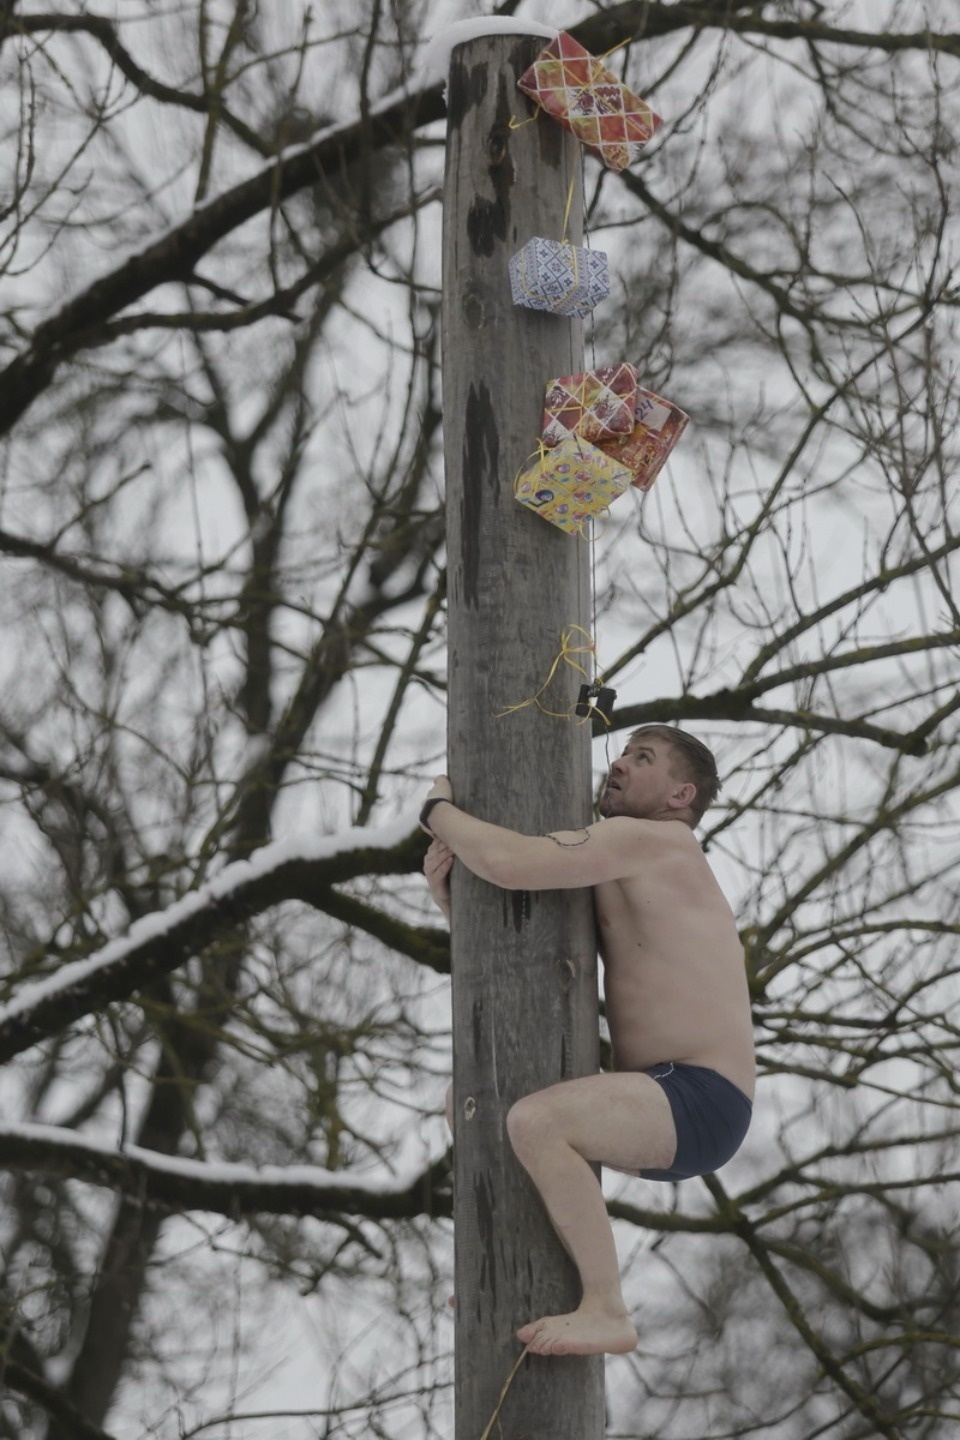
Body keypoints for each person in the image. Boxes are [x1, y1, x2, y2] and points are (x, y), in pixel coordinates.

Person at [421, 724, 755, 1358]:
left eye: (644, 758)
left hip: (701, 1096)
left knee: (539, 1121)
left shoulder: (657, 842)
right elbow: (533, 944)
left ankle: (607, 1308)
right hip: (659, 1093)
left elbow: (513, 863)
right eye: (625, 751)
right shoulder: (620, 856)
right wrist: (451, 902)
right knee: (475, 1099)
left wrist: (436, 810)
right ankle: (503, 1276)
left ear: (681, 794)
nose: (621, 764)